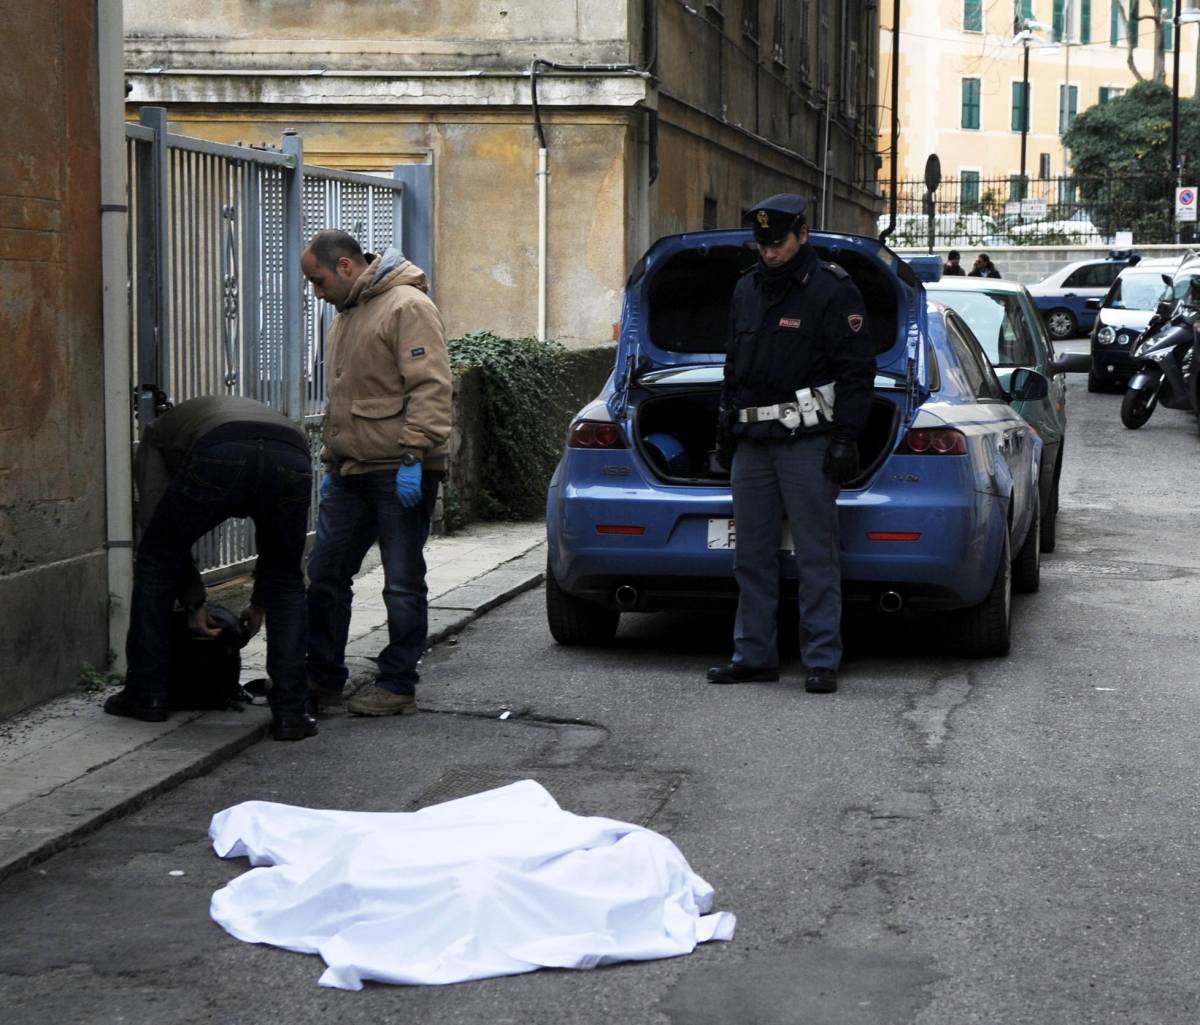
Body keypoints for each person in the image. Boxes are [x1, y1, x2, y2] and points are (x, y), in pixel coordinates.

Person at [708, 194, 875, 694]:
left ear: (802, 233)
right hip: (752, 441)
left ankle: (821, 659)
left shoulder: (832, 290)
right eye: (762, 244)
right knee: (751, 555)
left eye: (777, 242)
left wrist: (846, 437)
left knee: (815, 554)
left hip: (807, 440)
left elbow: (856, 372)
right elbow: (734, 365)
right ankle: (754, 654)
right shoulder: (745, 289)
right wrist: (724, 426)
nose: (769, 253)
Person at [301, 230, 452, 717]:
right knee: (324, 573)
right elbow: (345, 397)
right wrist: (332, 460)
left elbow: (430, 386)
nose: (317, 294)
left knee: (402, 581)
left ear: (346, 267)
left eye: (319, 281)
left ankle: (396, 684)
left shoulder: (406, 305)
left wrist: (413, 457)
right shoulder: (348, 315)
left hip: (399, 471)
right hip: (351, 470)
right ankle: (322, 679)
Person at [104, 394, 316, 741]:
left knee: (156, 557)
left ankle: (146, 694)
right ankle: (292, 712)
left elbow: (159, 534)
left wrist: (194, 602)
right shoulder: (234, 413)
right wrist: (261, 600)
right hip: (291, 454)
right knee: (286, 578)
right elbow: (282, 558)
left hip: (223, 452)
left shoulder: (156, 437)